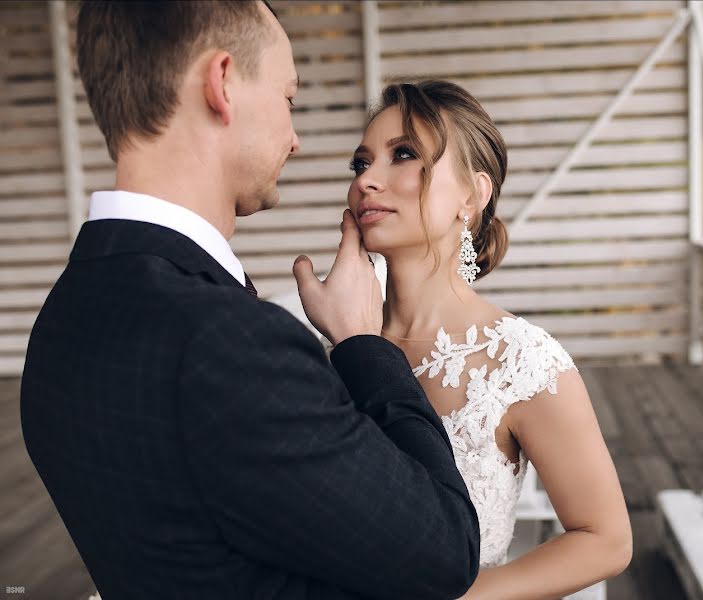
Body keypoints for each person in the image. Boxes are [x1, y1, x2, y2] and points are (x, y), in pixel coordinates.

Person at [19, 2, 479, 598]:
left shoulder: (62, 319)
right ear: (222, 84)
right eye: (288, 100)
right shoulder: (227, 342)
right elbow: (444, 552)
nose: (294, 140)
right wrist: (364, 344)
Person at [335, 80, 632, 598]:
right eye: (361, 164)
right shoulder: (334, 350)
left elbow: (606, 539)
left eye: (403, 155)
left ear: (472, 194)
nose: (367, 181)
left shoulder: (522, 362)